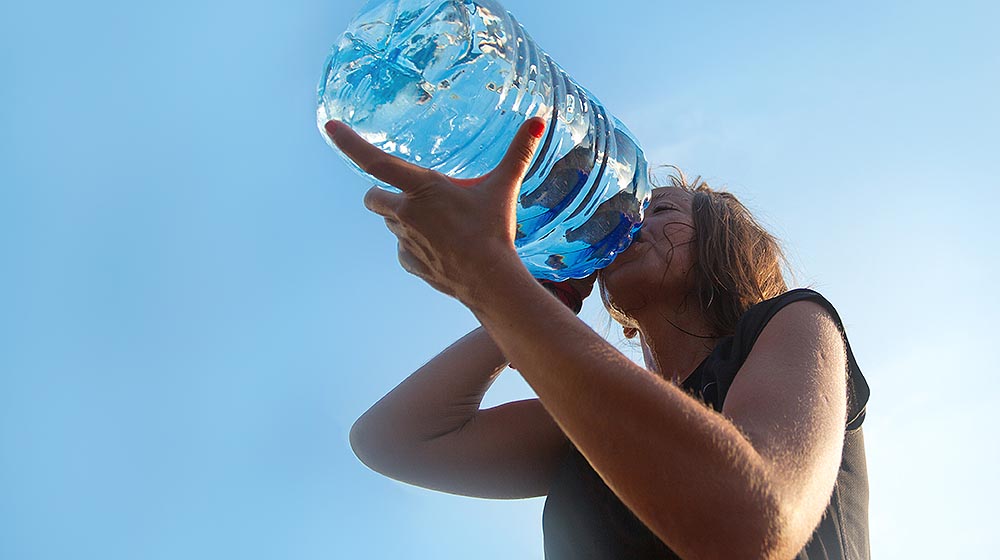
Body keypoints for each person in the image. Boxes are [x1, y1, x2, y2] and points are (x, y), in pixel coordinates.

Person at [328, 117, 870, 559]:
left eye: (658, 211)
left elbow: (751, 528)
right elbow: (391, 440)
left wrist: (488, 274)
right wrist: (529, 297)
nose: (630, 223)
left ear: (722, 242)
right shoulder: (593, 418)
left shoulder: (795, 320)